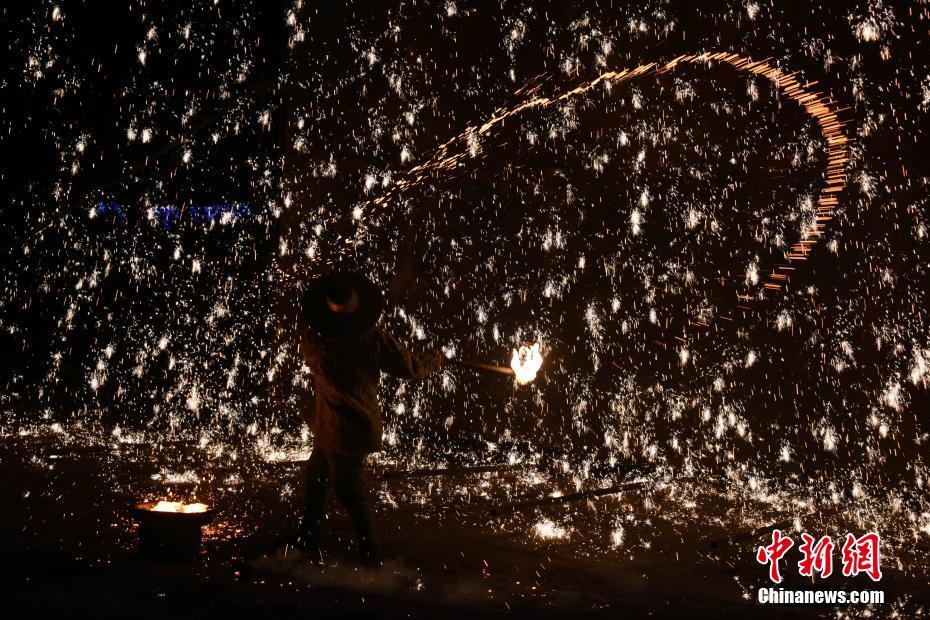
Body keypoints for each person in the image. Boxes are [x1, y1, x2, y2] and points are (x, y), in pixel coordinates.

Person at [296, 272, 444, 565]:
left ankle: (361, 552)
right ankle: (348, 549)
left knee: (337, 488)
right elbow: (411, 368)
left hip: (336, 426)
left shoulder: (313, 339)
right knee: (329, 484)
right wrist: (435, 358)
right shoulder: (370, 340)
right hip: (344, 427)